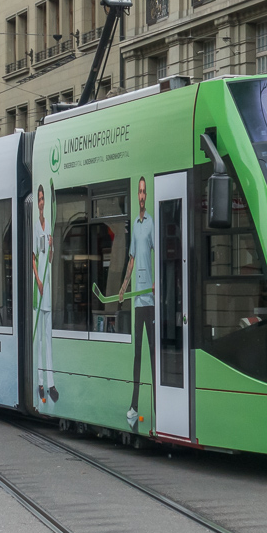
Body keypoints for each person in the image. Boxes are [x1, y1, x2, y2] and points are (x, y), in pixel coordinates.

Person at [119, 176, 154, 431]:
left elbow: (160, 255)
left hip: (150, 300)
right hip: (137, 301)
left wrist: (157, 284)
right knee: (138, 356)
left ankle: (155, 404)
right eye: (138, 192)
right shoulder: (136, 223)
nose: (141, 196)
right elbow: (131, 260)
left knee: (152, 355)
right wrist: (123, 287)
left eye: (143, 192)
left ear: (147, 195)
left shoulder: (151, 224)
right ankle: (134, 405)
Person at [31, 184, 57, 404]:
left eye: (42, 199)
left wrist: (51, 246)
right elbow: (32, 257)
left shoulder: (48, 225)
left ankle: (51, 383)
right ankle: (40, 383)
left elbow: (49, 259)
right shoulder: (34, 226)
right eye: (39, 199)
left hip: (47, 289)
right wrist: (38, 280)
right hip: (38, 289)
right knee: (39, 339)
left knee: (48, 338)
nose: (41, 202)